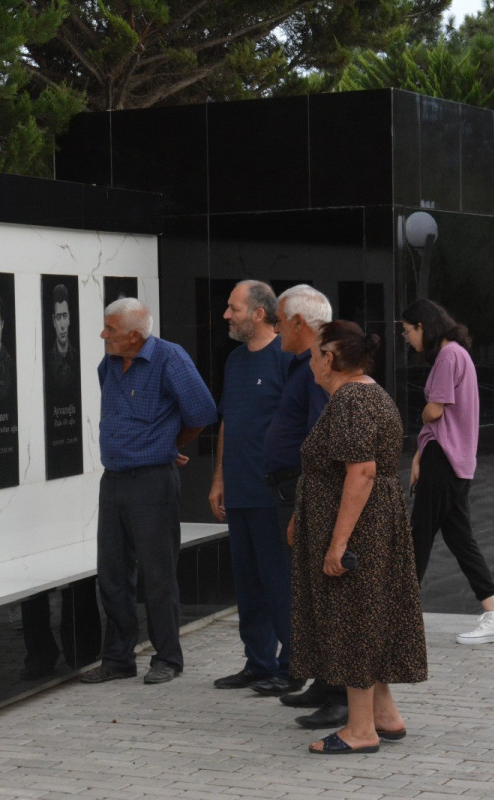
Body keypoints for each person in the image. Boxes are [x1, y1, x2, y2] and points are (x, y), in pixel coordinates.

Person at [289, 320, 427, 754]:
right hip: (373, 524)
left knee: (352, 620)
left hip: (359, 530)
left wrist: (337, 543)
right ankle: (384, 715)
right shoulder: (367, 393)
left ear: (329, 359)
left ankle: (360, 730)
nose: (310, 361)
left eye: (313, 353)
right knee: (368, 617)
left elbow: (362, 471)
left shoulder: (352, 400)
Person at [81, 298, 217, 686]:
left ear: (135, 336)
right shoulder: (109, 362)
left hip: (153, 481)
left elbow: (202, 413)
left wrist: (169, 444)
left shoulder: (169, 359)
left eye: (110, 329)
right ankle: (118, 659)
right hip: (115, 480)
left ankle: (168, 658)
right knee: (112, 573)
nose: (103, 335)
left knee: (157, 575)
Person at [250, 285, 348, 729]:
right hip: (291, 487)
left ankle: (342, 695)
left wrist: (305, 507)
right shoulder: (304, 365)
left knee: (323, 594)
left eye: (279, 320)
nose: (274, 327)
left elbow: (324, 438)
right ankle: (326, 683)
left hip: (302, 488)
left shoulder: (322, 367)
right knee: (308, 593)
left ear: (297, 324)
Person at [401, 298, 494, 645]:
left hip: (445, 458)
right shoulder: (457, 354)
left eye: (408, 331)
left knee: (419, 535)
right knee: (459, 537)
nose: (407, 339)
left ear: (422, 326)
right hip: (451, 458)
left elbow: (434, 412)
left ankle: (397, 619)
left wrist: (422, 423)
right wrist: (421, 452)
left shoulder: (449, 356)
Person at [208, 281, 298, 694]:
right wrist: (219, 478)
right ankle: (258, 661)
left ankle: (293, 663)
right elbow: (228, 420)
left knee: (279, 581)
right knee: (246, 583)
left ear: (259, 314)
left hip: (273, 494)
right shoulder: (234, 361)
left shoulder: (288, 358)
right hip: (239, 489)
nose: (226, 315)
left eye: (233, 308)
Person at [46, 282, 79, 398]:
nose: (62, 325)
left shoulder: (77, 358)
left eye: (64, 316)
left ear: (69, 318)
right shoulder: (47, 361)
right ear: (54, 321)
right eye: (59, 317)